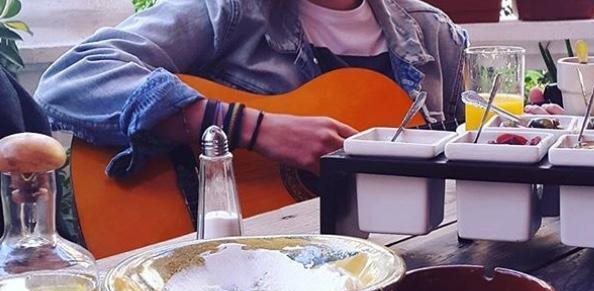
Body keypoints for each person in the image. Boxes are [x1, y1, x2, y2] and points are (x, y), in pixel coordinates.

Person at [35, 0, 467, 181]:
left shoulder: (435, 35)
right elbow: (72, 78)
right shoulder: (229, 10)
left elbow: (464, 168)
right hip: (236, 274)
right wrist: (250, 128)